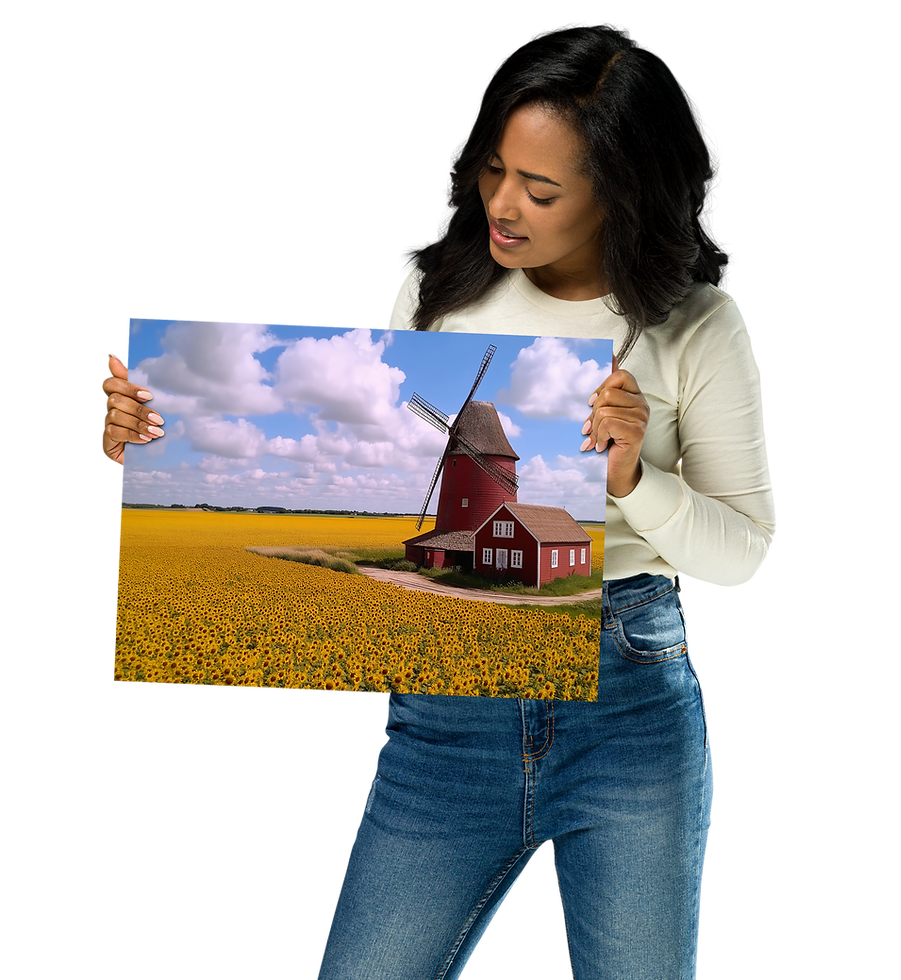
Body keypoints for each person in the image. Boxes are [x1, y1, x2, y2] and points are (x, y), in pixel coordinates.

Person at [100, 23, 777, 980]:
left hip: (628, 709)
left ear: (620, 193)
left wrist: (632, 480)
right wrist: (149, 450)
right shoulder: (432, 293)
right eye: (496, 170)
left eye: (541, 190)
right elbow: (358, 446)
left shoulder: (703, 324)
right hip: (444, 724)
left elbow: (745, 555)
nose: (503, 204)